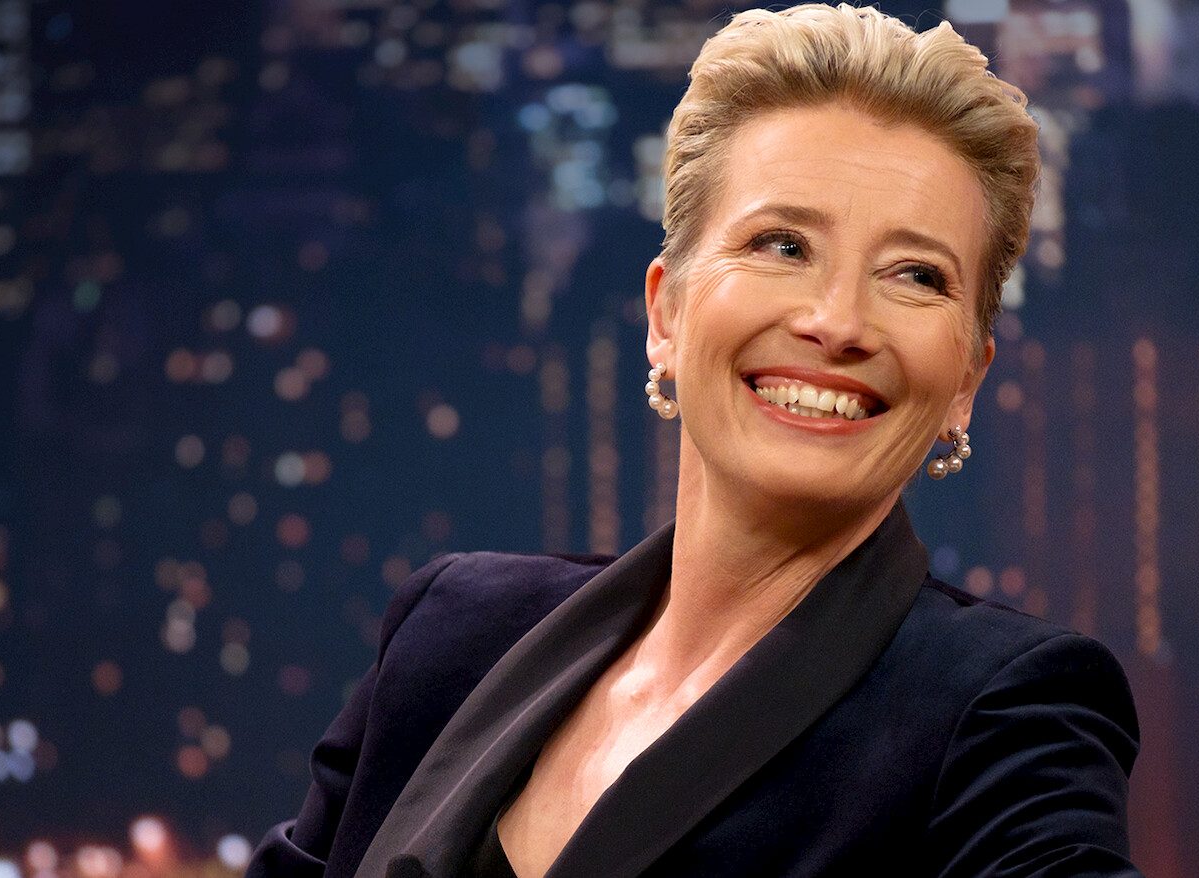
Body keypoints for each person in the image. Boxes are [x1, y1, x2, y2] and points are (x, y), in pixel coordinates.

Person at [249, 5, 1141, 877]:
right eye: (783, 245)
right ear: (665, 314)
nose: (837, 323)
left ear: (967, 380)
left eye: (915, 275)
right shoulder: (450, 632)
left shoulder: (1006, 716)